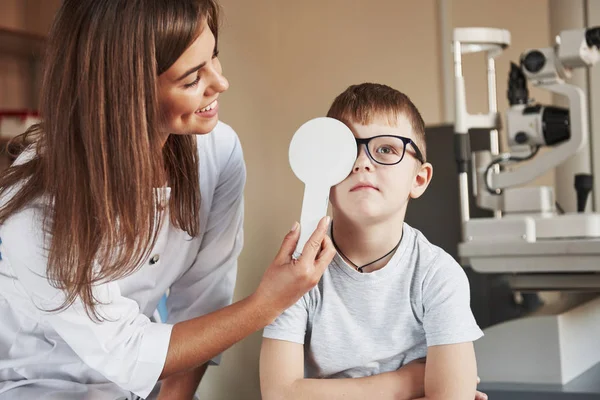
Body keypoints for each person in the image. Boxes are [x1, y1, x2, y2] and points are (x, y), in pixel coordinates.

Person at [0, 1, 335, 399]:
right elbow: (126, 351)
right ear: (127, 94)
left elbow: (203, 302)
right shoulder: (38, 202)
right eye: (192, 78)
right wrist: (267, 304)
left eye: (214, 57)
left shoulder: (218, 152)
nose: (220, 83)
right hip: (34, 382)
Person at [260, 83, 486, 400]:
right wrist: (408, 382)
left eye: (385, 149)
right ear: (321, 171)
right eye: (347, 149)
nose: (362, 162)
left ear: (418, 179)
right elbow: (279, 395)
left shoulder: (437, 275)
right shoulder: (298, 274)